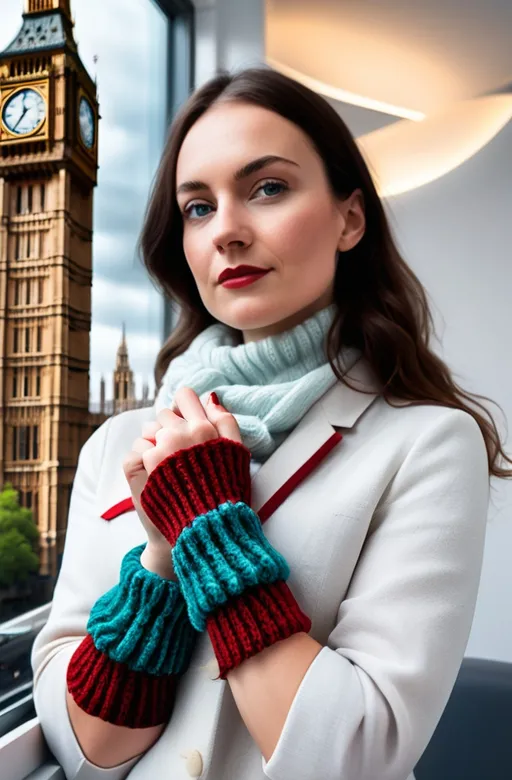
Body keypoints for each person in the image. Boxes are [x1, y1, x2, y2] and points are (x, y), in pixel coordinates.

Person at [31, 66, 511, 780]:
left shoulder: (430, 444)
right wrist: (161, 564)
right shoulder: (115, 447)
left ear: (350, 219)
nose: (226, 230)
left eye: (267, 188)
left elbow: (354, 757)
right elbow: (87, 747)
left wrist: (207, 524)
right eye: (197, 207)